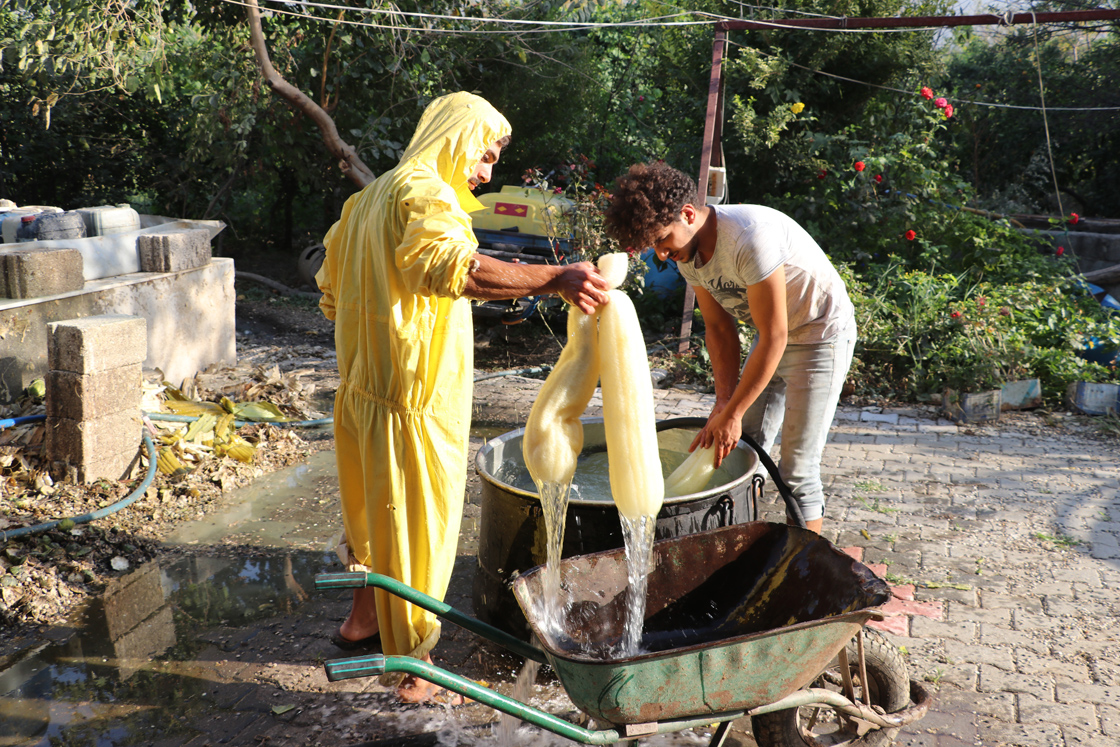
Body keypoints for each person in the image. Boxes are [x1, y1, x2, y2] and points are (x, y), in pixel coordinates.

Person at [315, 92, 610, 703]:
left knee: (374, 517)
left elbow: (330, 292)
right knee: (419, 529)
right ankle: (412, 672)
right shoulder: (427, 193)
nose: (485, 173)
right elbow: (458, 271)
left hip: (365, 389)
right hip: (416, 396)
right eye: (485, 155)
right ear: (454, 137)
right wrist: (555, 278)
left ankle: (362, 621)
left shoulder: (366, 199)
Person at [603, 161, 855, 534]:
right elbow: (719, 328)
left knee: (796, 471)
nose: (659, 254)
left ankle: (804, 572)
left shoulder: (749, 237)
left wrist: (734, 412)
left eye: (661, 240)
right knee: (743, 451)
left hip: (819, 337)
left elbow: (775, 335)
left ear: (688, 214)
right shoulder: (688, 252)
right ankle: (743, 548)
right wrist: (724, 402)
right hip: (771, 337)